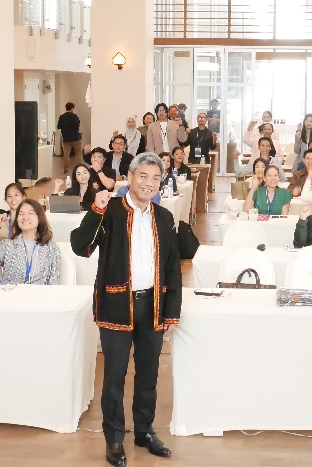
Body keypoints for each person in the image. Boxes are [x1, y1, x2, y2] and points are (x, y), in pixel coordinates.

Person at [72, 153, 181, 467]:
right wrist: (96, 210)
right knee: (114, 377)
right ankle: (115, 439)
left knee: (148, 374)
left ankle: (144, 431)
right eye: (143, 176)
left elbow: (172, 265)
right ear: (130, 177)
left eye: (155, 178)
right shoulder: (110, 210)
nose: (149, 183)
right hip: (116, 303)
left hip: (153, 305)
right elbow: (80, 245)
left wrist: (171, 310)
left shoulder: (164, 217)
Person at [57, 102, 82, 175]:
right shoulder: (75, 116)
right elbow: (77, 126)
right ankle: (78, 169)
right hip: (75, 138)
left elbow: (59, 126)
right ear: (72, 108)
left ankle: (65, 170)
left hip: (66, 138)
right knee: (78, 153)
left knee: (66, 154)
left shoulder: (62, 117)